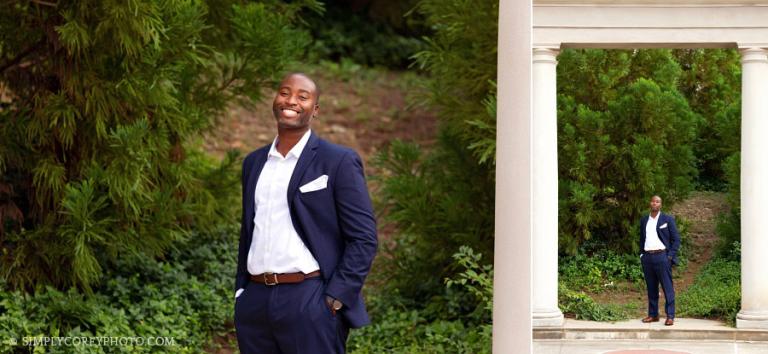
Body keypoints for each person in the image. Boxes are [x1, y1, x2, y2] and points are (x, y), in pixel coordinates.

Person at [233, 72, 378, 353]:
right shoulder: (253, 163)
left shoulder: (337, 161)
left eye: (303, 96)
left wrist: (335, 296)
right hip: (255, 301)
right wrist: (242, 293)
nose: (291, 101)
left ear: (315, 110)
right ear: (275, 100)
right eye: (285, 92)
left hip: (309, 299)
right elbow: (249, 230)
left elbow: (364, 238)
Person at [639, 195, 680, 326]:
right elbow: (641, 238)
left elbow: (676, 240)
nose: (655, 203)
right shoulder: (644, 220)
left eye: (658, 202)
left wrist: (670, 256)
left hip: (662, 257)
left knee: (667, 287)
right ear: (650, 203)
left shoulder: (667, 219)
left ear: (660, 205)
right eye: (653, 201)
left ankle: (670, 316)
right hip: (647, 258)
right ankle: (653, 315)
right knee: (651, 288)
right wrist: (642, 255)